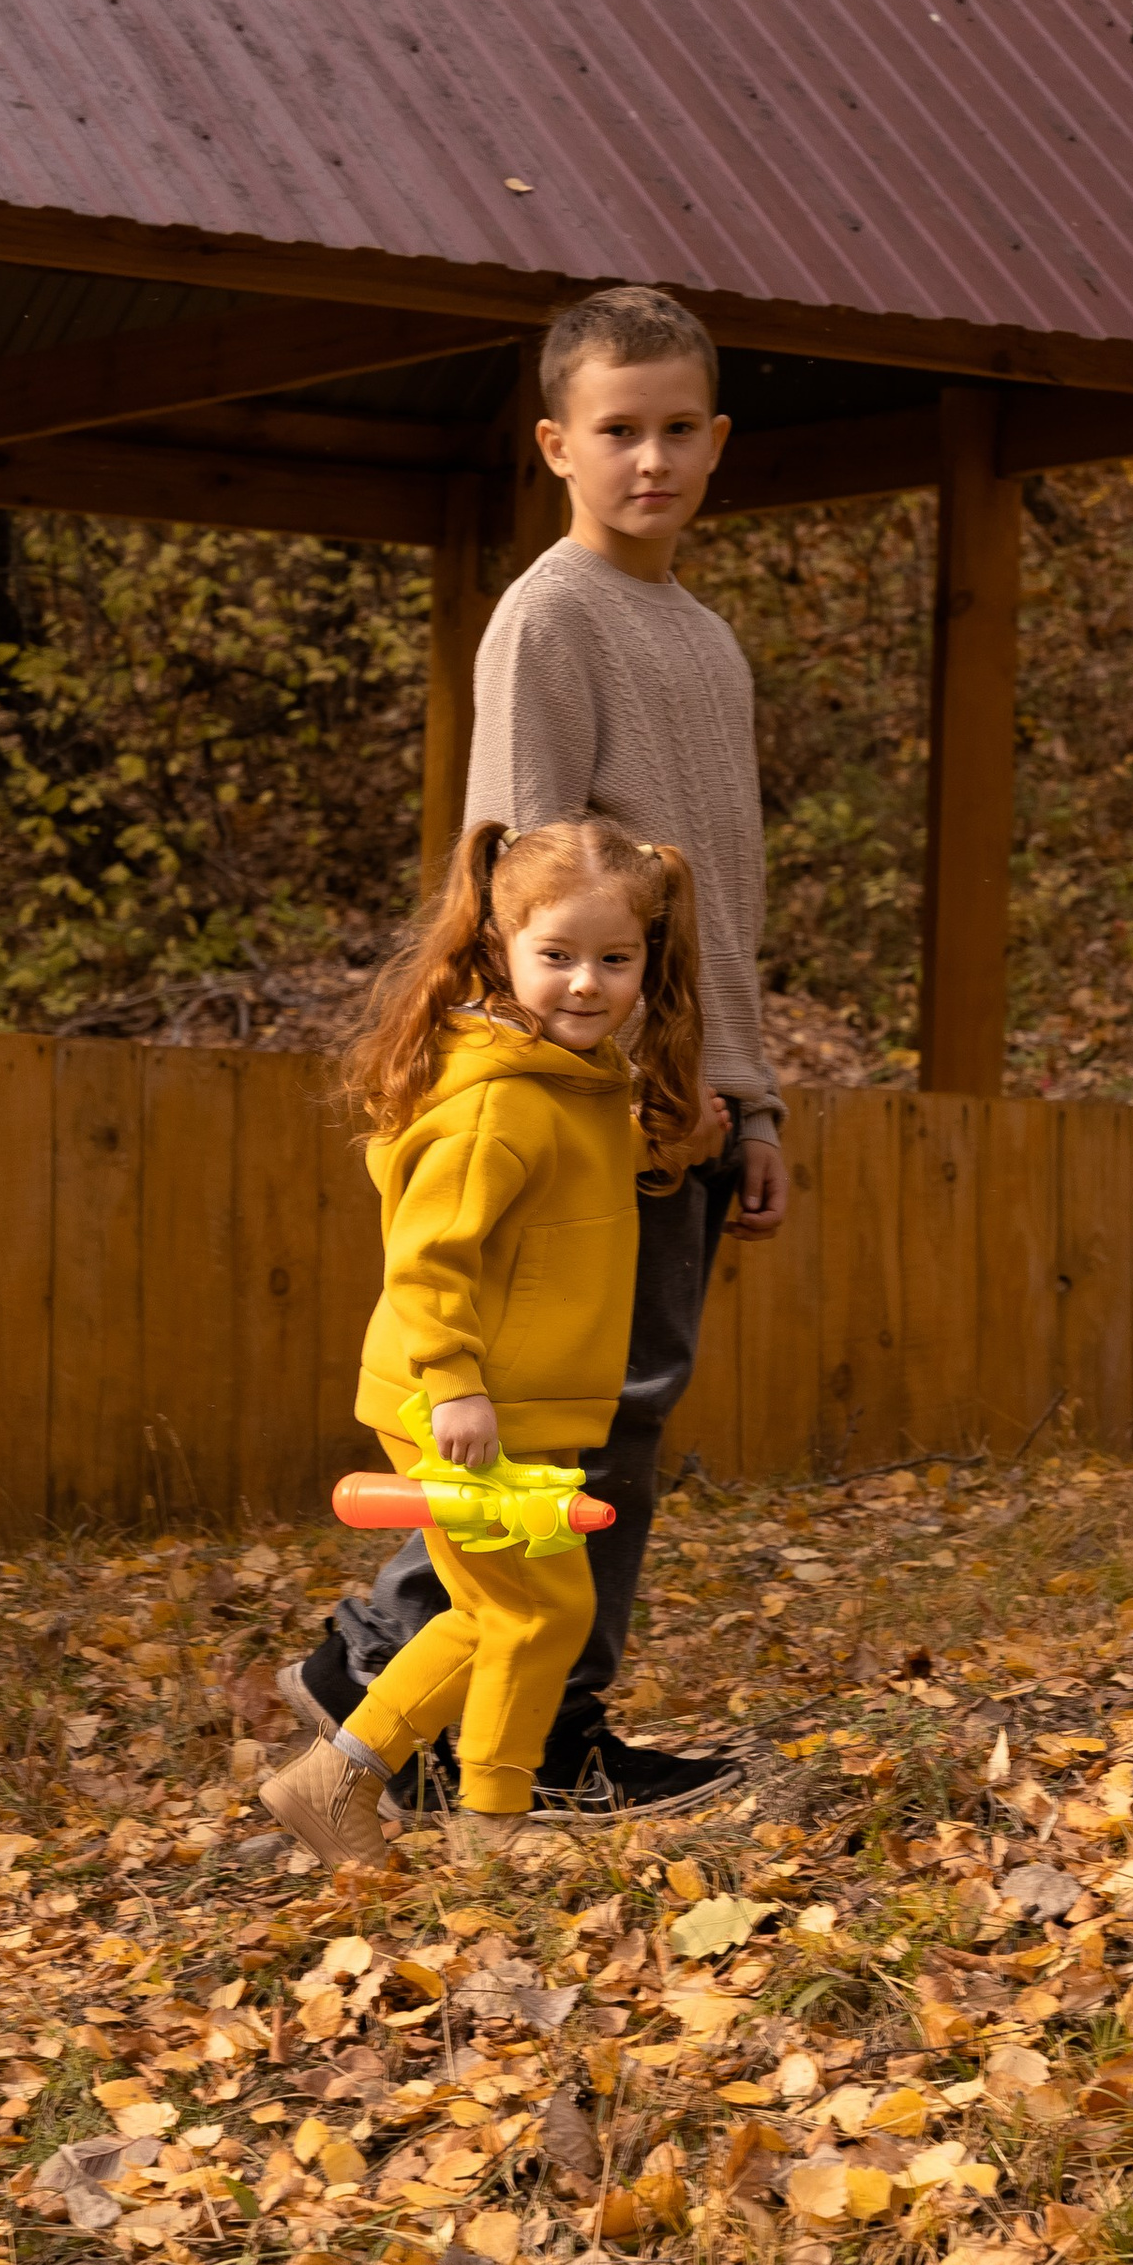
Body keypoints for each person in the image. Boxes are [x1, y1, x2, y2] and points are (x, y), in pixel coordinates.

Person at [286, 282, 789, 1819]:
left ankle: (422, 1687)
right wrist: (526, 1076)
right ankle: (501, 1719)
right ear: (558, 444)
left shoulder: (701, 637)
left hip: (679, 1098)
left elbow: (719, 909)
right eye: (618, 431)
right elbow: (519, 873)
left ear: (718, 441)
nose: (652, 458)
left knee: (618, 1423)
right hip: (584, 1104)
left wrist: (749, 1100)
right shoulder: (552, 615)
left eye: (678, 429)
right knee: (586, 1433)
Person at [261, 815, 706, 1867]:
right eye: (556, 957)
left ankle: (339, 1786)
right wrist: (456, 1386)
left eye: (614, 959)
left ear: (649, 960)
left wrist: (673, 1134)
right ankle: (488, 1830)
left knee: (499, 1610)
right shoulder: (493, 1106)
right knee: (533, 1612)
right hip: (457, 1405)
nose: (586, 984)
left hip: (528, 1408)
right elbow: (428, 1263)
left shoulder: (577, 1084)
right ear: (499, 950)